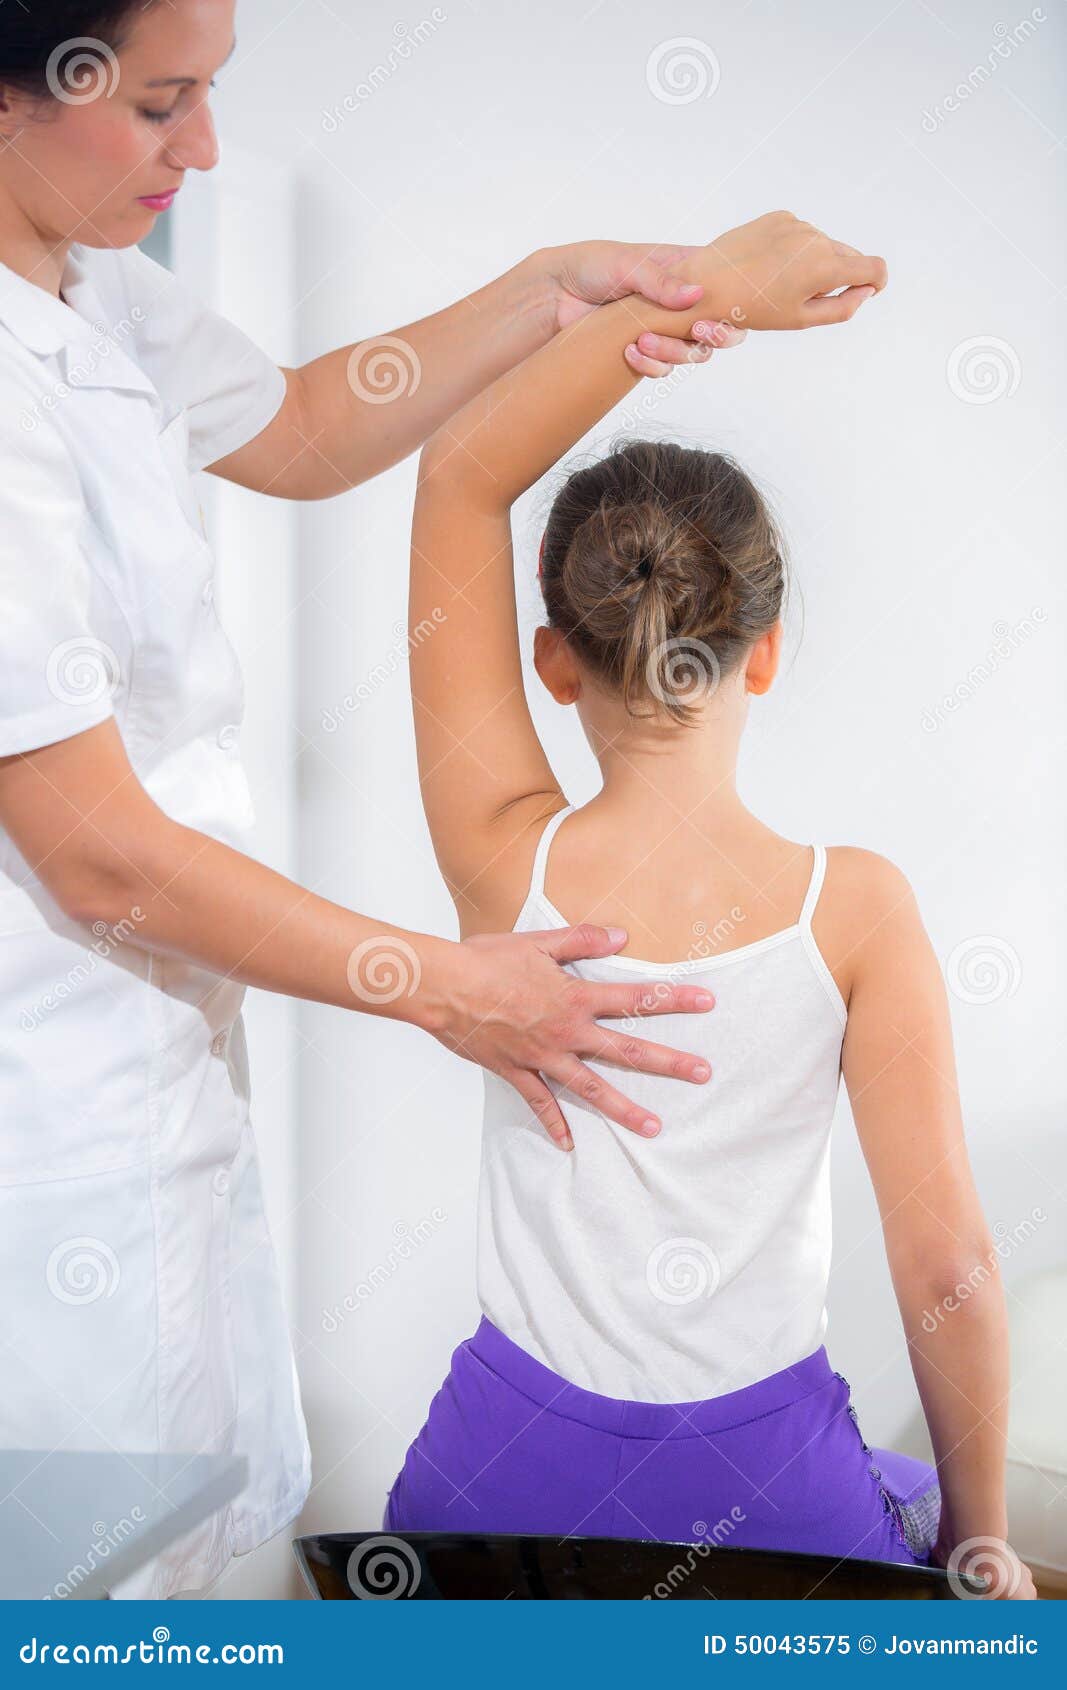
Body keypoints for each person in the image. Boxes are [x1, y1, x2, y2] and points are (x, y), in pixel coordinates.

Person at [0, 0, 791, 1601]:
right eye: (160, 104)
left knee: (198, 1553)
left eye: (212, 93)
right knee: (89, 1587)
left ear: (548, 659)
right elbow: (84, 842)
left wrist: (552, 292)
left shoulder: (89, 294)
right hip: (54, 1115)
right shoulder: (865, 911)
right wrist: (438, 988)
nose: (202, 148)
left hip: (160, 1096)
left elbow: (307, 425)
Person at [383, 213, 1037, 1599]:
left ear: (554, 663)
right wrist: (976, 1536)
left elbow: (455, 478)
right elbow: (950, 1271)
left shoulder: (507, 860)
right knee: (920, 1521)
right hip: (764, 1493)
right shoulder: (853, 910)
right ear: (770, 647)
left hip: (493, 1480)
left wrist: (707, 289)